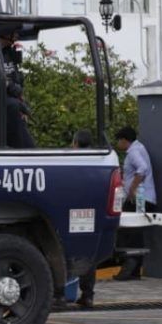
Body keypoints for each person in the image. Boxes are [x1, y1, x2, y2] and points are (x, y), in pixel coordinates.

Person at [114, 125, 156, 280]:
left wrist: (132, 189)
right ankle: (134, 271)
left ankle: (129, 270)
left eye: (119, 141)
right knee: (135, 234)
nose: (118, 144)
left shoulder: (133, 152)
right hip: (143, 197)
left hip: (139, 197)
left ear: (125, 140)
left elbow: (142, 168)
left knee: (128, 233)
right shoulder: (139, 148)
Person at [71, 128, 97, 308]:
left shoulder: (72, 161)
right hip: (92, 212)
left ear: (76, 144)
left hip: (75, 213)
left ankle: (58, 295)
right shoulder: (98, 158)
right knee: (89, 255)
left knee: (71, 253)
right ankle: (88, 295)